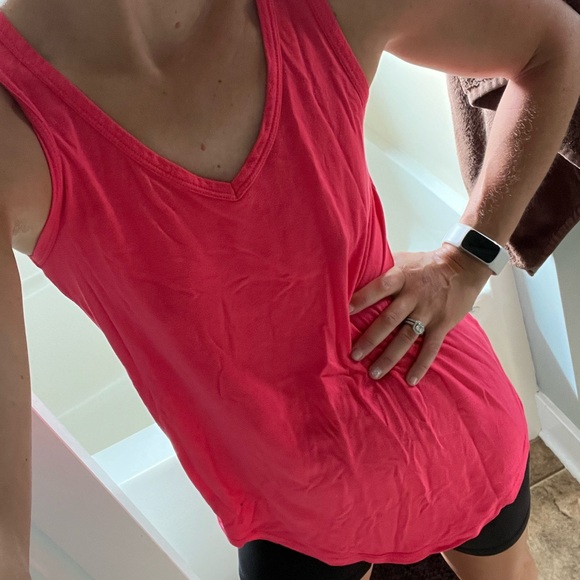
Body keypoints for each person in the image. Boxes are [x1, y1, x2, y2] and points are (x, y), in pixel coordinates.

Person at [0, 0, 578, 578]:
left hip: (342, 471)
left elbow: (556, 44)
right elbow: (557, 41)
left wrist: (467, 259)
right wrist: (466, 259)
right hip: (420, 432)